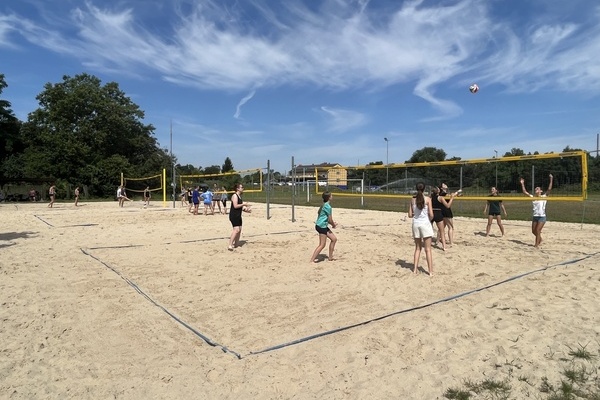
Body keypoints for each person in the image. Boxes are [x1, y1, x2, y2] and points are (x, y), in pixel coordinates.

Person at [408, 182, 434, 276]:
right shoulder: (428, 199)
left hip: (416, 224)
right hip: (425, 224)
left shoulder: (413, 199)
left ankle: (415, 269)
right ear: (424, 189)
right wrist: (429, 219)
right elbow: (431, 214)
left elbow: (410, 215)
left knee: (417, 248)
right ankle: (430, 272)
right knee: (428, 249)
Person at [520, 174, 553, 248]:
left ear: (541, 191)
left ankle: (536, 245)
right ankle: (540, 239)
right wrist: (522, 183)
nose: (536, 190)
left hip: (542, 217)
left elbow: (549, 189)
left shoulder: (544, 197)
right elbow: (525, 192)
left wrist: (551, 179)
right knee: (533, 231)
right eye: (535, 189)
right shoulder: (533, 197)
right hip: (535, 216)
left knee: (538, 231)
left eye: (538, 189)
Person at [309, 191, 338, 263]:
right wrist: (333, 225)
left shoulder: (324, 205)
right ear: (329, 197)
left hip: (321, 225)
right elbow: (330, 220)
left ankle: (330, 257)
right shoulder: (328, 207)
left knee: (334, 239)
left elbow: (326, 218)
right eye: (331, 195)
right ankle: (312, 260)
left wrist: (332, 223)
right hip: (321, 226)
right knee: (322, 245)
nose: (332, 196)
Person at [430, 186, 456, 251]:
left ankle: (432, 242)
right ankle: (444, 246)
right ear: (438, 191)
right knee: (442, 230)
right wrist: (452, 198)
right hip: (438, 213)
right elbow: (448, 206)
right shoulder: (440, 197)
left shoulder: (430, 198)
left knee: (429, 230)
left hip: (431, 213)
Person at [228, 183, 252, 250]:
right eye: (242, 187)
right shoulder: (235, 196)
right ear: (237, 189)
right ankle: (230, 245)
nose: (243, 188)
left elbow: (240, 207)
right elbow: (235, 206)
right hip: (234, 215)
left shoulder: (239, 196)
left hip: (238, 215)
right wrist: (244, 204)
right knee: (236, 230)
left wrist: (246, 210)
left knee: (239, 230)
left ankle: (236, 244)